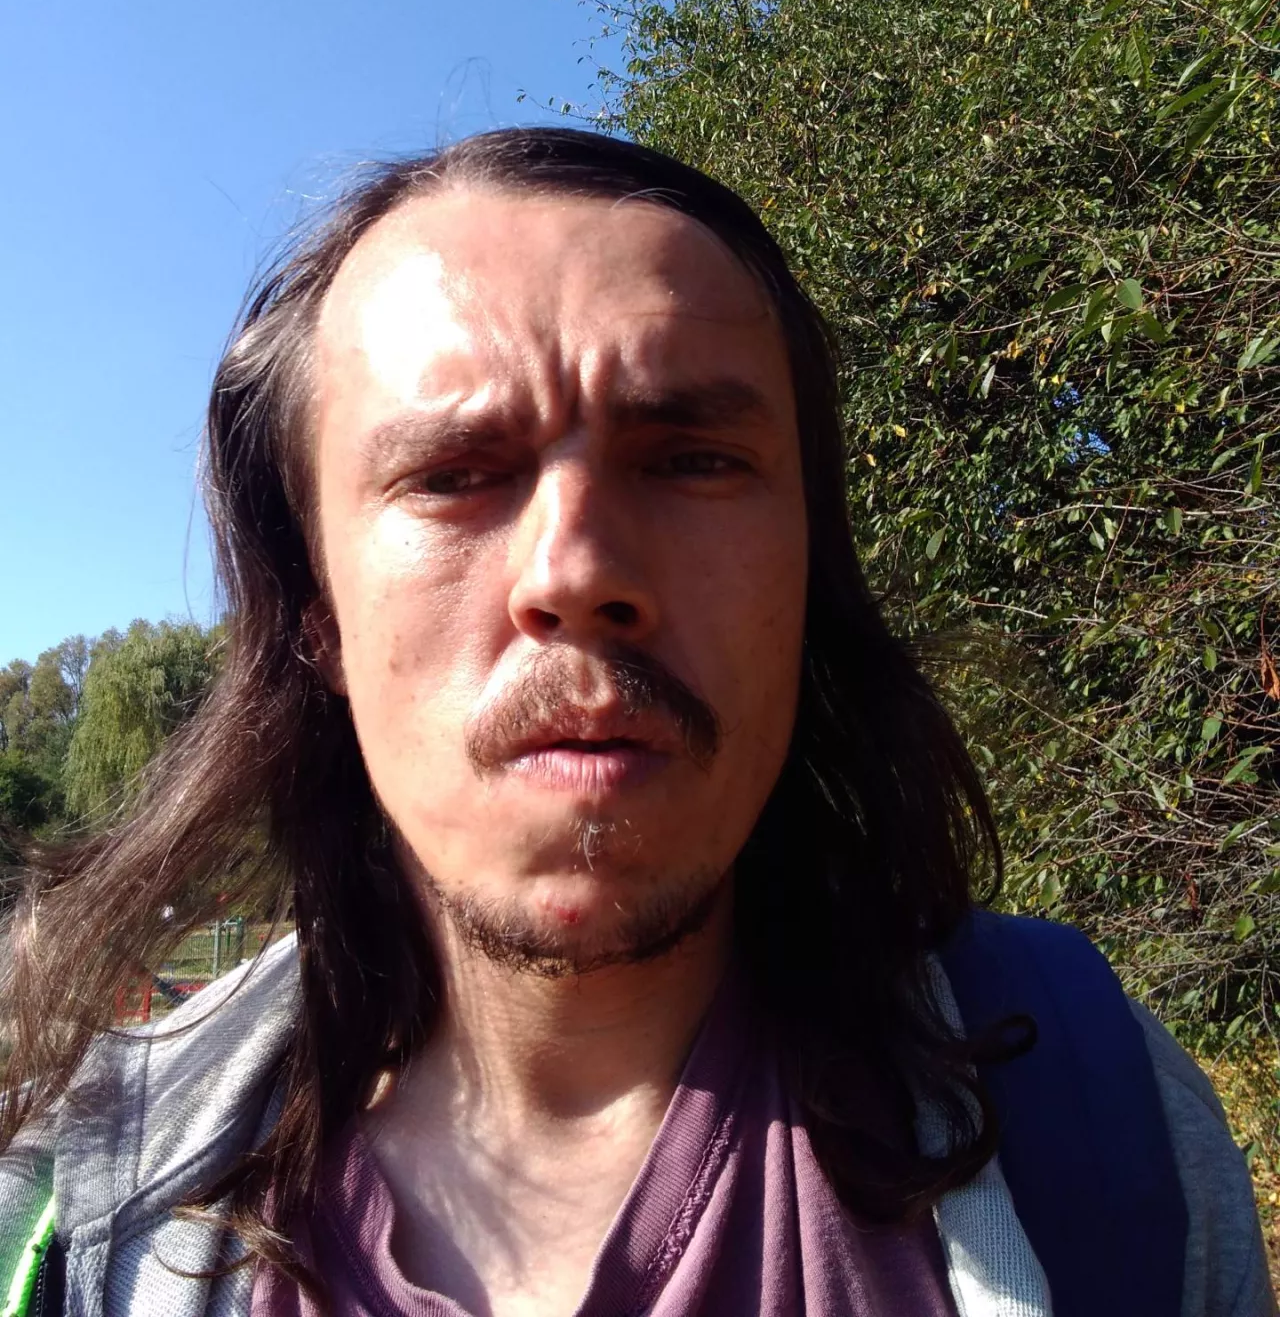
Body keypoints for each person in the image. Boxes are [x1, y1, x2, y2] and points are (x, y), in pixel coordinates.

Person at [0, 129, 1270, 1317]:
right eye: (451, 475)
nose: (576, 570)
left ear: (806, 570)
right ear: (315, 617)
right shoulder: (71, 1209)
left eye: (691, 460)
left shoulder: (1101, 1121)